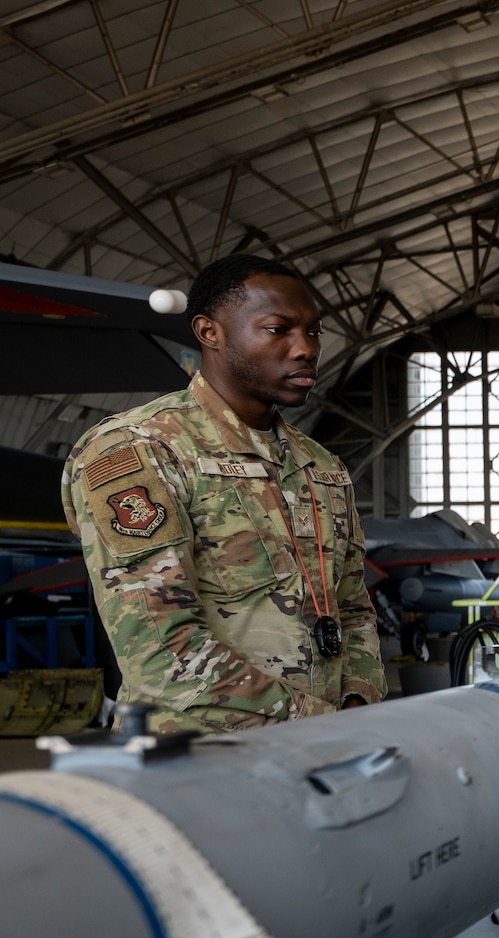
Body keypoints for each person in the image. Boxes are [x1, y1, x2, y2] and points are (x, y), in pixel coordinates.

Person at [61, 254, 384, 734]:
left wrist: (358, 697)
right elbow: (158, 647)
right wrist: (313, 721)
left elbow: (353, 605)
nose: (305, 349)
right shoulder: (142, 449)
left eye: (313, 332)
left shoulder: (321, 465)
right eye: (278, 330)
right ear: (209, 332)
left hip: (321, 752)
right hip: (199, 759)